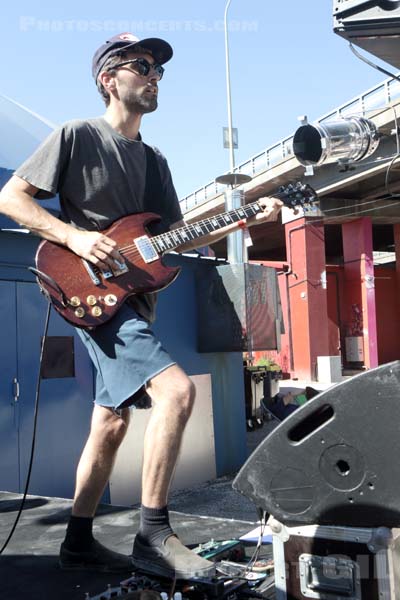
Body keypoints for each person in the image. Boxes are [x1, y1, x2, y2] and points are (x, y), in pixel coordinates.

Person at [0, 32, 283, 579]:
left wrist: (239, 217)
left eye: (158, 70)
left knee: (109, 423)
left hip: (133, 298)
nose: (153, 76)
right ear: (109, 78)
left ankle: (77, 541)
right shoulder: (76, 135)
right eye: (142, 66)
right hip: (88, 290)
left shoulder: (154, 161)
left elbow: (172, 237)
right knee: (177, 391)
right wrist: (77, 238)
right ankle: (154, 535)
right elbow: (11, 197)